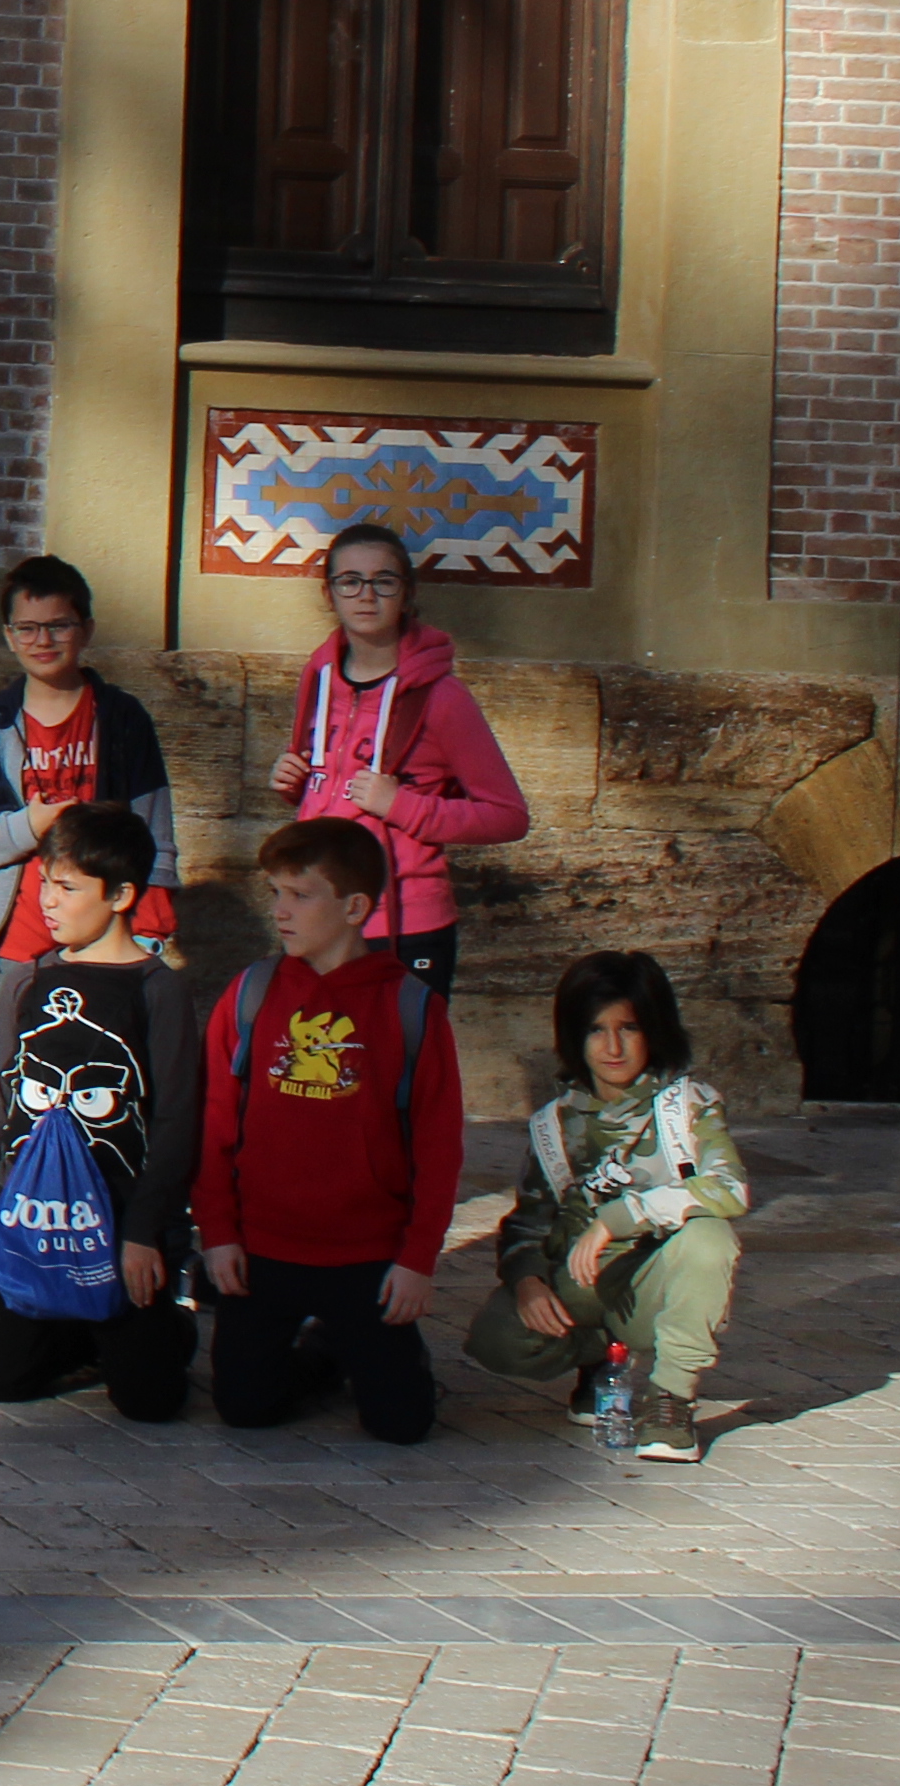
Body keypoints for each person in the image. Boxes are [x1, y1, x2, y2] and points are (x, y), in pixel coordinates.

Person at [197, 815, 463, 1445]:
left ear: (355, 907)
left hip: (366, 1255)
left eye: (301, 894)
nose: (282, 911)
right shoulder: (252, 992)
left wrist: (418, 1259)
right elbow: (214, 1125)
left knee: (401, 1425)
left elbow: (439, 1145)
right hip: (263, 1249)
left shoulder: (411, 1007)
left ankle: (371, 1350)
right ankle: (324, 1355)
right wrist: (218, 1234)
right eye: (276, 894)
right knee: (244, 1408)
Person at [0, 806, 204, 1420]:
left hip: (119, 1229)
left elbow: (176, 1122)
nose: (48, 900)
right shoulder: (26, 980)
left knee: (150, 1402)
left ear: (120, 894)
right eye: (45, 882)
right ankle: (72, 1332)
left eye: (68, 888)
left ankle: (162, 1329)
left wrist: (146, 1233)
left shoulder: (157, 990)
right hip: (33, 1220)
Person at [466, 949, 744, 1463]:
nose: (613, 1047)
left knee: (711, 1239)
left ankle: (670, 1400)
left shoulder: (690, 1105)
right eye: (596, 1030)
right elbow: (526, 1226)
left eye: (629, 1028)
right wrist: (527, 1281)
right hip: (587, 1286)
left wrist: (619, 1218)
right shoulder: (554, 1124)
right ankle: (599, 1362)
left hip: (655, 1285)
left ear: (654, 1030)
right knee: (497, 1338)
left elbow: (729, 1189)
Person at [266, 523, 531, 998]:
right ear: (329, 594)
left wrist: (403, 806)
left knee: (399, 1067)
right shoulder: (318, 678)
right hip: (320, 917)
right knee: (323, 1064)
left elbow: (507, 816)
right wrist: (296, 785)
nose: (366, 595)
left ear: (406, 593)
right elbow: (329, 783)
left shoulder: (441, 696)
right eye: (349, 581)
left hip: (406, 924)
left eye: (383, 581)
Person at [0, 555, 182, 966]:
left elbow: (154, 834)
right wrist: (31, 825)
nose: (42, 641)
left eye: (59, 625)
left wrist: (149, 932)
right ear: (9, 636)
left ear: (87, 631)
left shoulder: (122, 718)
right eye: (27, 628)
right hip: (16, 946)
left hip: (101, 946)